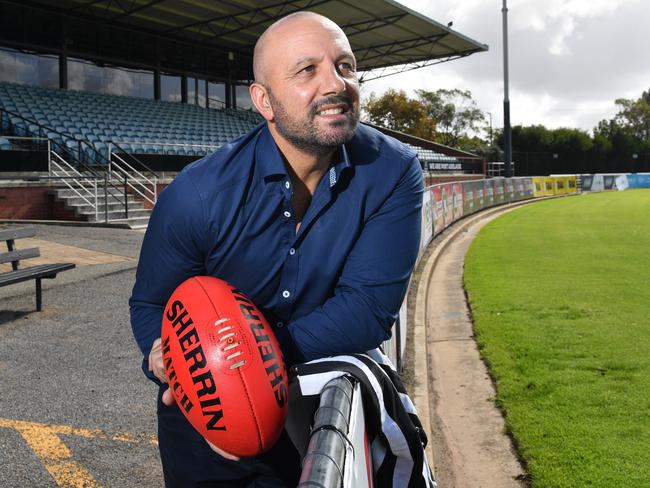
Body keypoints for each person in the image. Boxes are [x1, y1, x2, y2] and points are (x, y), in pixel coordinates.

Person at [129, 11, 423, 487]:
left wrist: (250, 362)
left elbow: (368, 308)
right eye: (307, 70)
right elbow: (149, 302)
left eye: (345, 66)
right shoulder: (197, 194)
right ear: (264, 100)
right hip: (208, 427)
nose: (336, 83)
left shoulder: (393, 171)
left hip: (319, 417)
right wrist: (162, 357)